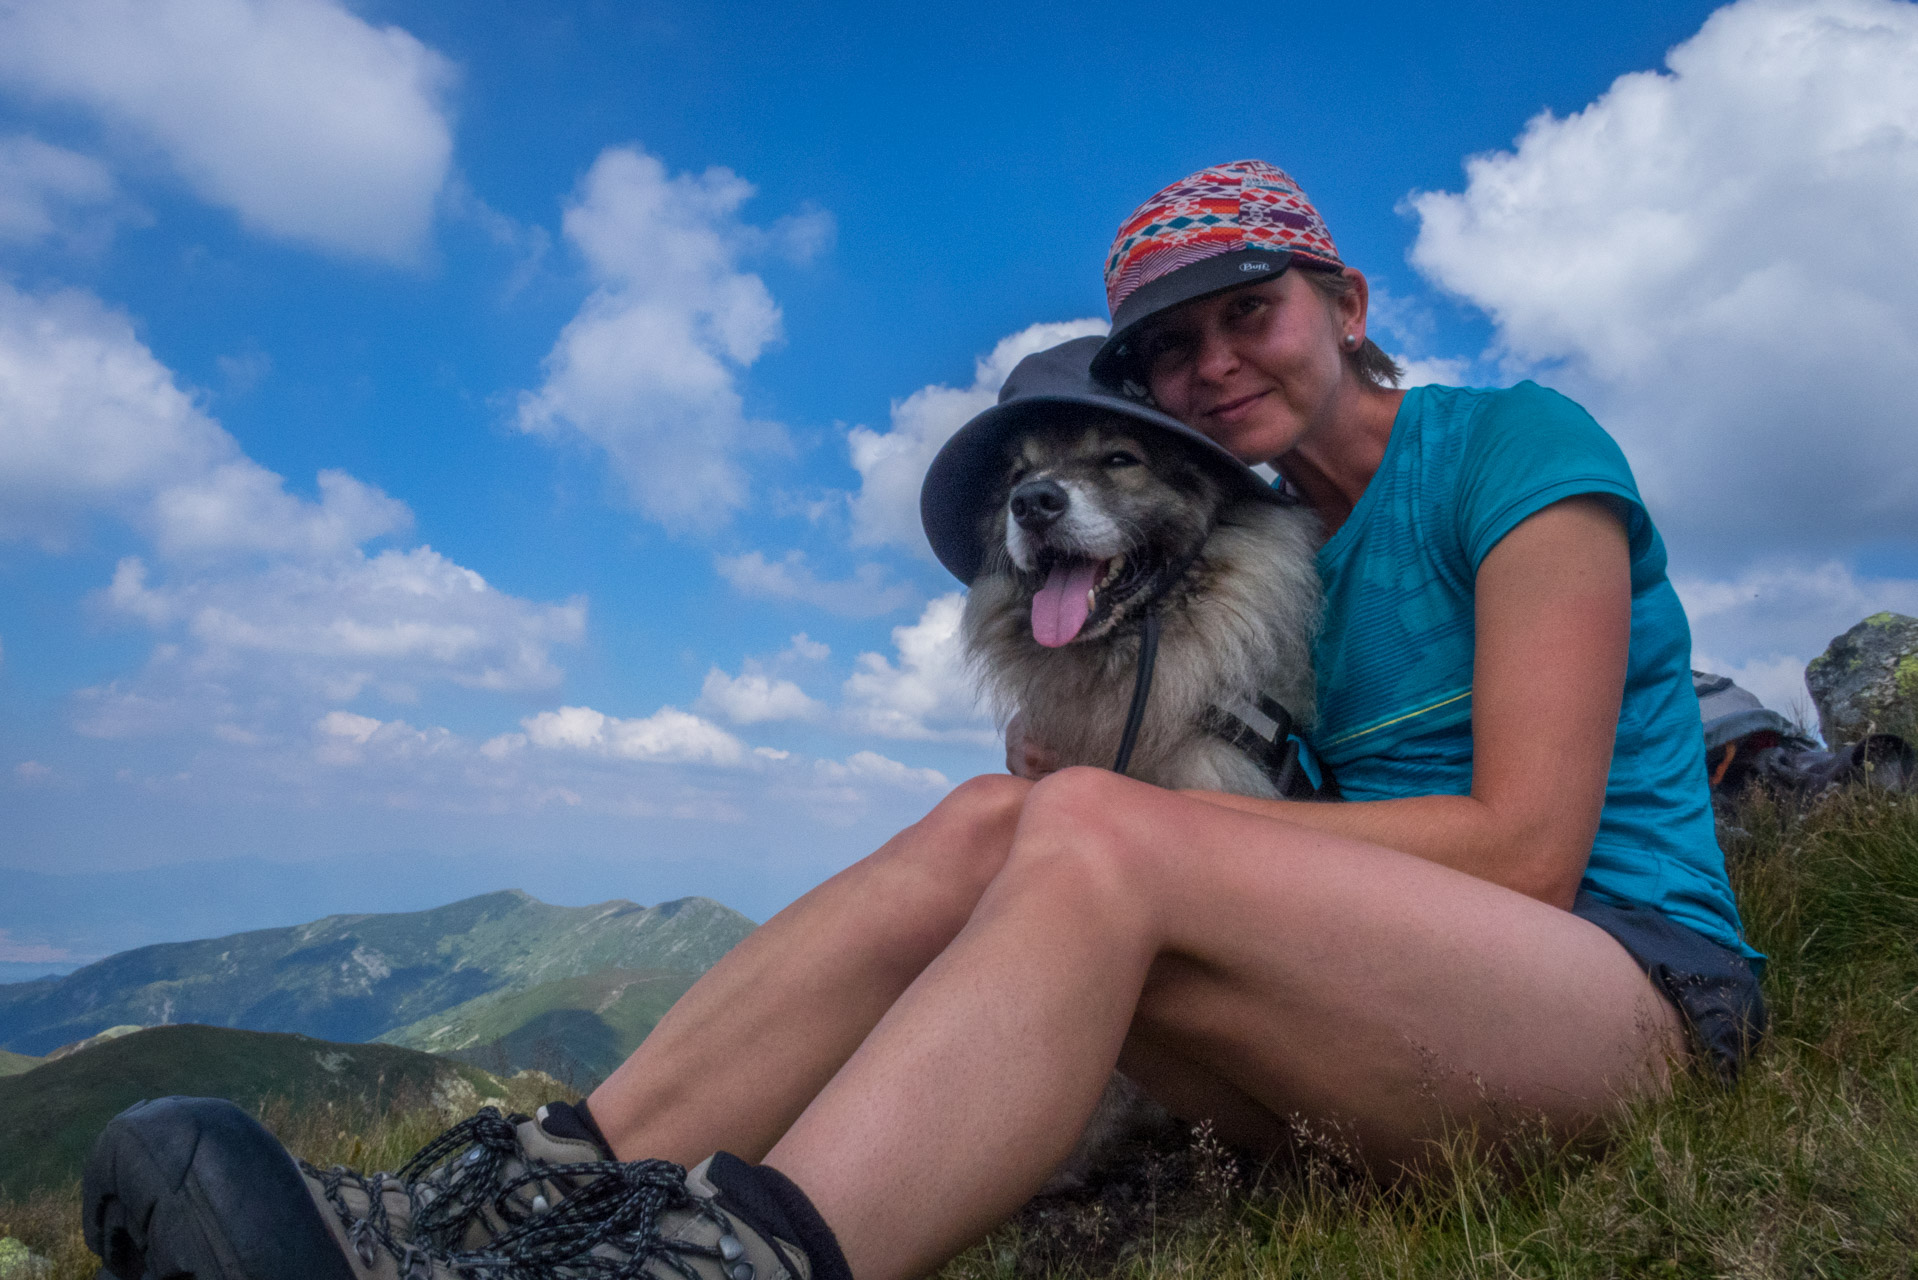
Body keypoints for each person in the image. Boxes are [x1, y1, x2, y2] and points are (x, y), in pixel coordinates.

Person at [82, 160, 1764, 1280]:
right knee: (987, 820)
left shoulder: (1514, 453)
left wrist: (1122, 820)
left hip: (1616, 1001)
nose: (1211, 363)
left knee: (1078, 825)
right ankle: (526, 1189)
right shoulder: (1274, 553)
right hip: (1375, 1021)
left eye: (1246, 311)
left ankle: (737, 1262)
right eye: (1166, 352)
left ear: (1343, 298)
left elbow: (1525, 853)